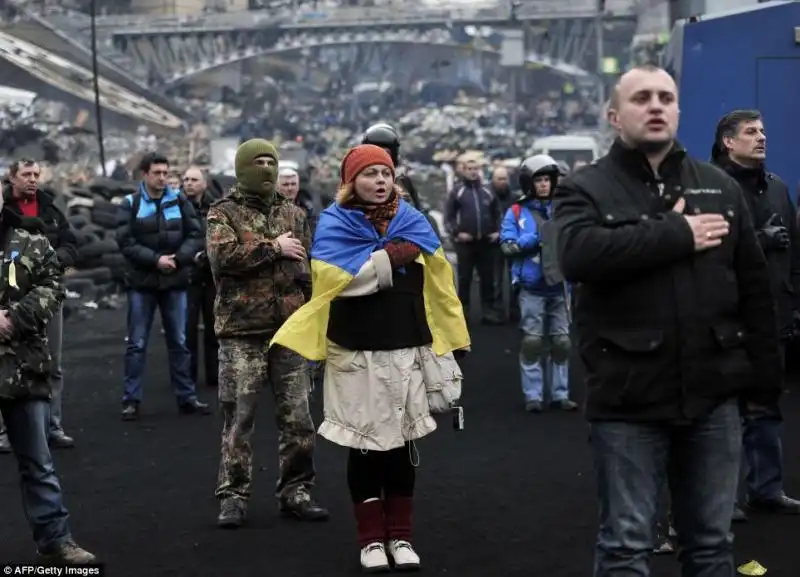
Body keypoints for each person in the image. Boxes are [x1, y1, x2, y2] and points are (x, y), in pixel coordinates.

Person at [554, 64, 782, 576]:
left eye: (665, 97)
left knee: (711, 545)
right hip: (627, 397)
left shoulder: (720, 188)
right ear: (615, 116)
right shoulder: (585, 188)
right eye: (641, 98)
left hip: (713, 394)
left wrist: (763, 381)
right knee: (627, 546)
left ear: (678, 111)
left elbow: (754, 287)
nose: (655, 105)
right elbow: (577, 256)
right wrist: (674, 234)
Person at [271, 144, 469, 572]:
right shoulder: (335, 224)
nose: (380, 181)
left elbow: (440, 285)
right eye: (370, 174)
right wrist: (387, 257)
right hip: (355, 351)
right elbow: (334, 281)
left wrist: (450, 341)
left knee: (401, 448)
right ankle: (370, 542)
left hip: (405, 347)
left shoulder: (414, 223)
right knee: (364, 447)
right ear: (350, 181)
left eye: (386, 173)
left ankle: (401, 537)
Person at [207, 138, 328, 528]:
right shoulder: (222, 212)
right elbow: (222, 258)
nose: (266, 169)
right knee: (239, 419)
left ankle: (296, 491)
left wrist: (311, 318)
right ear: (243, 167)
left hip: (289, 331)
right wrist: (273, 247)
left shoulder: (295, 213)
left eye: (270, 162)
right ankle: (233, 496)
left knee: (298, 419)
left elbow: (306, 268)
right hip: (242, 331)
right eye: (258, 162)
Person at [710, 109, 800, 518]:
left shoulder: (779, 188)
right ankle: (721, 500)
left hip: (773, 318)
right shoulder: (710, 188)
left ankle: (766, 488)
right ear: (729, 141)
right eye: (750, 132)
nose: (761, 138)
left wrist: (793, 301)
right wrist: (759, 241)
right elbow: (707, 251)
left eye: (763, 131)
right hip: (726, 320)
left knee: (767, 406)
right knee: (724, 413)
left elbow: (795, 253)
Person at [0, 187, 95, 563]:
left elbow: (53, 285)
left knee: (38, 463)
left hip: (23, 368)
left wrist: (14, 318)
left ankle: (56, 539)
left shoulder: (29, 240)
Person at [116, 152, 210, 420]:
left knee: (179, 342)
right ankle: (131, 400)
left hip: (174, 281)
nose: (162, 178)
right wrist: (156, 260)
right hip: (142, 283)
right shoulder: (130, 203)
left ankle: (187, 398)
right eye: (157, 173)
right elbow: (125, 241)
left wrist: (177, 260)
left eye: (165, 173)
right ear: (144, 174)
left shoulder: (178, 200)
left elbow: (196, 234)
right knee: (136, 343)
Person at [1, 159, 79, 450]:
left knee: (53, 363)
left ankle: (52, 426)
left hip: (48, 295)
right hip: (11, 298)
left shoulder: (50, 210)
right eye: (26, 175)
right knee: (7, 361)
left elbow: (71, 243)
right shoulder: (5, 212)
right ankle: (6, 432)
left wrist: (51, 264)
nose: (33, 179)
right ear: (12, 178)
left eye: (36, 174)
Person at [500, 154, 577, 413]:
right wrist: (534, 239)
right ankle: (533, 395)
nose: (544, 184)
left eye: (547, 179)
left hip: (560, 285)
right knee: (532, 342)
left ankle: (560, 393)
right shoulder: (516, 211)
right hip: (531, 287)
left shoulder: (565, 208)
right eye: (539, 180)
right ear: (528, 183)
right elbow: (507, 244)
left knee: (562, 343)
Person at [182, 166, 219, 388]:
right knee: (188, 330)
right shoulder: (174, 207)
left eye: (194, 179)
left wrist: (207, 255)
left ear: (204, 183)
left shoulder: (216, 209)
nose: (189, 183)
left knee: (214, 328)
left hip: (211, 275)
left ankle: (214, 376)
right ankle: (189, 376)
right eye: (185, 179)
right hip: (186, 274)